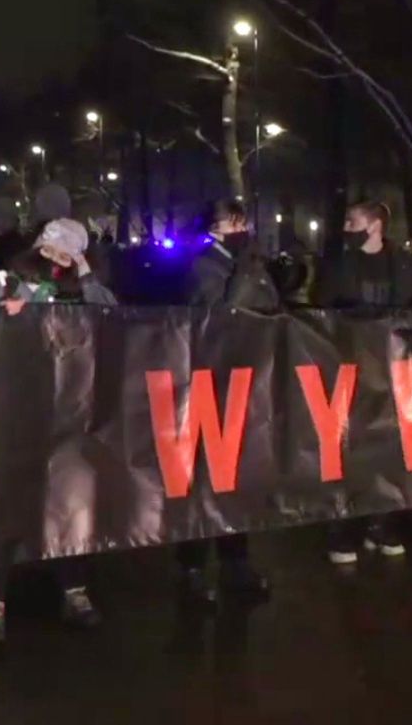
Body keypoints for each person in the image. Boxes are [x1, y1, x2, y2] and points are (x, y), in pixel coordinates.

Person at [0, 219, 113, 642]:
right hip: (12, 412)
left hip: (68, 414)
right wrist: (4, 310)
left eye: (64, 253)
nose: (54, 258)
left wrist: (87, 276)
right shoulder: (8, 281)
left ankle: (74, 590)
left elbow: (112, 313)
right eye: (49, 249)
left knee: (67, 502)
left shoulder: (81, 289)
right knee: (7, 504)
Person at [176, 199, 273, 609]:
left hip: (241, 377)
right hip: (207, 378)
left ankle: (236, 563)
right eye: (234, 223)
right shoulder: (203, 265)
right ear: (215, 228)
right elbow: (221, 313)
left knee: (235, 477)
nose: (242, 229)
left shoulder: (244, 261)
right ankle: (193, 569)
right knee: (202, 479)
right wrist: (245, 270)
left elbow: (269, 304)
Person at [317, 201, 412, 563]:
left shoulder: (403, 264)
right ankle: (344, 530)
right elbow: (322, 307)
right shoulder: (340, 264)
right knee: (351, 450)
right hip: (350, 370)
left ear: (376, 225)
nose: (347, 226)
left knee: (390, 449)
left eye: (354, 220)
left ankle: (383, 525)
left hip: (392, 371)